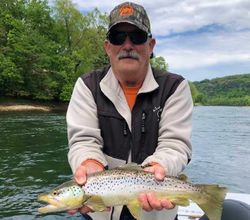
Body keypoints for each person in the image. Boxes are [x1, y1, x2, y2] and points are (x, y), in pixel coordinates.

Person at [66, 2, 193, 220]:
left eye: (137, 36)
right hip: (101, 210)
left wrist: (159, 166)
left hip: (155, 209)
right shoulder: (87, 86)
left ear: (150, 45)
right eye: (118, 37)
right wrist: (89, 162)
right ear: (107, 46)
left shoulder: (174, 87)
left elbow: (176, 144)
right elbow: (83, 140)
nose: (127, 45)